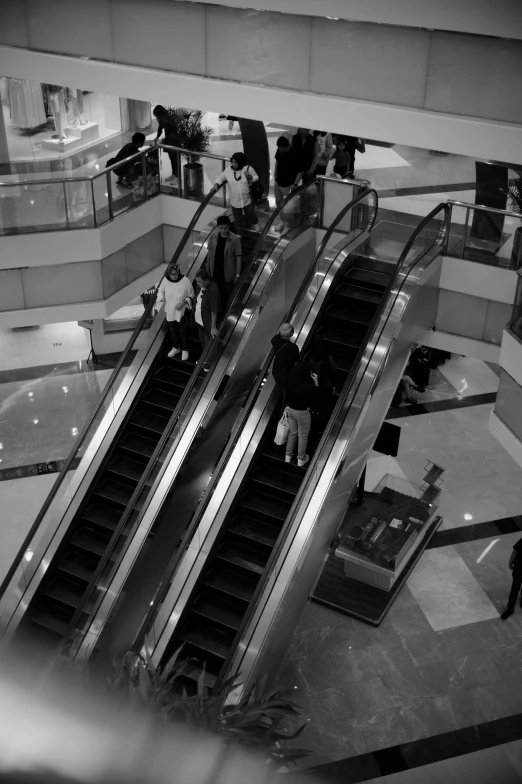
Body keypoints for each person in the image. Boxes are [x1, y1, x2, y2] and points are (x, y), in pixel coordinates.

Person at [210, 152, 261, 234]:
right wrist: (216, 184)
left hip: (246, 198)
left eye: (235, 162)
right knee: (237, 218)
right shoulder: (228, 171)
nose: (233, 164)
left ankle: (256, 224)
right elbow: (220, 178)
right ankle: (240, 232)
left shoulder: (248, 168)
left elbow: (256, 177)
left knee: (250, 213)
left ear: (241, 162)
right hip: (235, 200)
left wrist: (250, 177)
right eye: (232, 162)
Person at [156, 263, 194, 360]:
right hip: (170, 311)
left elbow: (192, 295)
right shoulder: (166, 280)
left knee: (184, 331)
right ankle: (176, 347)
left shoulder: (185, 281)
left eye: (175, 274)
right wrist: (162, 298)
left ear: (179, 273)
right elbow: (160, 291)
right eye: (171, 274)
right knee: (173, 331)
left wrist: (183, 303)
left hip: (182, 311)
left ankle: (185, 350)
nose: (173, 276)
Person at [284, 362, 319, 468]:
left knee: (292, 433)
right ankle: (301, 459)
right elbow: (316, 397)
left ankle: (288, 456)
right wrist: (316, 381)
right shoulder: (306, 386)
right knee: (302, 436)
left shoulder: (291, 381)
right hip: (302, 412)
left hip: (290, 409)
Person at [205, 215, 242, 308]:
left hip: (228, 275)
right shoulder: (213, 237)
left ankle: (230, 311)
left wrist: (237, 275)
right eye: (221, 228)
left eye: (225, 228)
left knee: (229, 295)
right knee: (216, 296)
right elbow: (209, 253)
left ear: (229, 226)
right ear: (218, 227)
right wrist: (208, 269)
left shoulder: (235, 239)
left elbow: (238, 257)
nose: (223, 230)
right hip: (215, 273)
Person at [303, 336, 338, 428]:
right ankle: (319, 426)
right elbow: (334, 371)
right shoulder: (328, 357)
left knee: (311, 405)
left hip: (310, 385)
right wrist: (334, 385)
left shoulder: (307, 356)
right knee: (323, 407)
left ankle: (309, 424)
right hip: (325, 386)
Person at [273, 136, 302, 231]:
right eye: (279, 148)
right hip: (278, 183)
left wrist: (295, 184)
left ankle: (289, 225)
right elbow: (277, 162)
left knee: (288, 209)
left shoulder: (295, 154)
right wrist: (275, 175)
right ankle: (283, 222)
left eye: (282, 149)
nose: (280, 150)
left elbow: (300, 171)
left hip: (289, 185)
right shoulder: (279, 151)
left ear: (287, 146)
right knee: (279, 204)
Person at [193, 268, 221, 370]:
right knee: (202, 341)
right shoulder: (199, 286)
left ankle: (208, 362)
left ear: (206, 280)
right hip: (199, 320)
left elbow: (214, 309)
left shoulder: (213, 289)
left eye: (200, 281)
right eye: (197, 281)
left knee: (208, 342)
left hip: (207, 322)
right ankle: (205, 358)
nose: (198, 283)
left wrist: (213, 327)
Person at [271, 323, 300, 413]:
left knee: (283, 392)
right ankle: (283, 414)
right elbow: (297, 362)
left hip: (276, 371)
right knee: (286, 394)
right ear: (291, 334)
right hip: (286, 374)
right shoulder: (292, 347)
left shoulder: (275, 341)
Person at [153, 105, 181, 185]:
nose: (156, 118)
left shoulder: (163, 119)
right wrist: (158, 137)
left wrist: (161, 139)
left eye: (156, 116)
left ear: (158, 114)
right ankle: (174, 174)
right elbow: (160, 129)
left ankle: (178, 177)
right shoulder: (166, 117)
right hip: (170, 140)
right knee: (172, 158)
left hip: (173, 140)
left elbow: (164, 129)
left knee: (175, 159)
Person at [501, 538, 522, 619]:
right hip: (519, 569)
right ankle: (510, 609)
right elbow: (515, 552)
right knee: (514, 590)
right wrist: (510, 563)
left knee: (515, 590)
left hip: (519, 569)